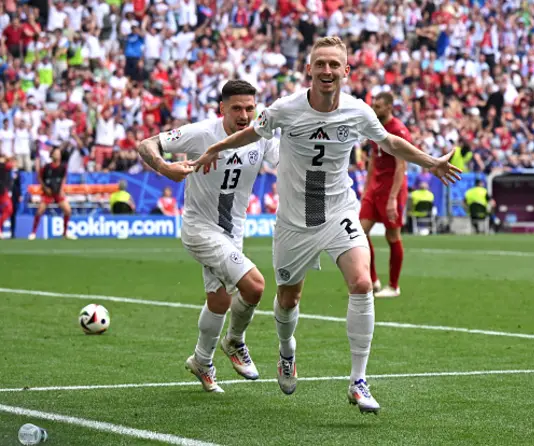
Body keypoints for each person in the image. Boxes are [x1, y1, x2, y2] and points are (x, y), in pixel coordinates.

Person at [189, 37, 461, 414]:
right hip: (294, 223)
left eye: (335, 64)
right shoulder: (284, 109)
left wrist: (430, 162)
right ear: (309, 70)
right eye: (321, 64)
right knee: (288, 298)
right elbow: (253, 132)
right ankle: (286, 352)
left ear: (346, 71)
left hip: (338, 211)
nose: (328, 71)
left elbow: (390, 143)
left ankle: (358, 381)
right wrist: (215, 149)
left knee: (362, 282)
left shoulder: (358, 111)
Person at [136, 80, 279, 393]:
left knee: (219, 300)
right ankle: (235, 342)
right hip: (200, 229)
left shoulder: (260, 137)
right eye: (237, 108)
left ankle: (201, 361)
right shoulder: (201, 133)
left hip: (233, 231)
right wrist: (164, 167)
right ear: (222, 109)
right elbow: (145, 144)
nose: (244, 115)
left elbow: (287, 162)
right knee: (254, 286)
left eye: (249, 108)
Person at [359, 92, 411, 299]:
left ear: (389, 108)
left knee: (392, 237)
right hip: (375, 188)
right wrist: (366, 189)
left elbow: (401, 166)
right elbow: (373, 159)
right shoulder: (374, 127)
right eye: (374, 105)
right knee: (359, 233)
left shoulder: (398, 131)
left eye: (379, 106)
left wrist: (392, 199)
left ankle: (394, 285)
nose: (375, 109)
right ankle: (373, 280)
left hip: (393, 189)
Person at [29, 147, 76, 240]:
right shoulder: (47, 167)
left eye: (59, 153)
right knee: (40, 211)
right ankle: (33, 233)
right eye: (56, 153)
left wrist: (62, 189)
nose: (57, 155)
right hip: (48, 193)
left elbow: (64, 178)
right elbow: (39, 178)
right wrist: (45, 188)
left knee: (68, 211)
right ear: (52, 155)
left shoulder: (63, 167)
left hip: (58, 192)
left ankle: (65, 233)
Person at [0, 155, 13, 239]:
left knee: (9, 209)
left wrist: (7, 158)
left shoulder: (3, 166)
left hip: (2, 191)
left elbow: (10, 165)